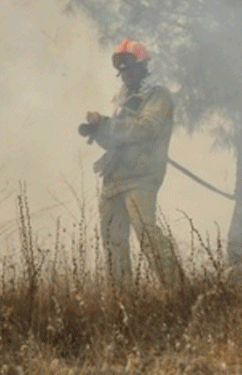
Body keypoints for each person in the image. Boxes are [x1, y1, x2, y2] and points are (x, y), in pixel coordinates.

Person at [78, 38, 184, 292]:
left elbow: (145, 129)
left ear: (143, 67)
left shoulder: (158, 96)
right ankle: (122, 300)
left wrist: (107, 124)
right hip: (114, 179)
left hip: (141, 177)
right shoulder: (123, 99)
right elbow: (115, 140)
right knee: (113, 242)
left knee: (147, 234)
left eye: (130, 69)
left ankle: (180, 292)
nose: (125, 75)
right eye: (122, 71)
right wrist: (99, 129)